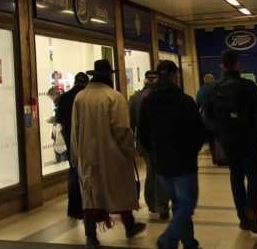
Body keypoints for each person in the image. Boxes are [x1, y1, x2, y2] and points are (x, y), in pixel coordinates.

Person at [71, 59, 147, 248]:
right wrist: (131, 149)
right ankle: (129, 226)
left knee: (90, 194)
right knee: (120, 190)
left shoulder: (80, 97)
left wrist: (76, 156)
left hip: (87, 155)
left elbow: (75, 129)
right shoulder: (114, 96)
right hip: (114, 155)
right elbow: (122, 128)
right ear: (109, 77)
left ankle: (91, 236)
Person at [138, 60, 205, 249]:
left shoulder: (147, 102)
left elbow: (142, 134)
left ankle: (189, 242)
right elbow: (199, 132)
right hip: (184, 163)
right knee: (187, 204)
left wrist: (154, 153)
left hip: (162, 164)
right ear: (175, 76)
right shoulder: (185, 100)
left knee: (177, 203)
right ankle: (169, 238)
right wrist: (192, 151)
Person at [203, 50, 257, 234]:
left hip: (226, 139)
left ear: (222, 66)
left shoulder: (213, 88)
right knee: (254, 175)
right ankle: (252, 209)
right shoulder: (248, 85)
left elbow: (208, 115)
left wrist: (219, 130)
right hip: (247, 137)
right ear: (238, 65)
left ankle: (243, 218)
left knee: (236, 175)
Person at [129, 69, 170, 220]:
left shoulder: (135, 98)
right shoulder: (163, 95)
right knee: (160, 171)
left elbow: (131, 124)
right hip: (162, 140)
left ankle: (152, 203)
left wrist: (133, 144)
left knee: (150, 170)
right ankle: (162, 204)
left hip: (143, 141)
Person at [55, 71, 90, 221]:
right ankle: (90, 206)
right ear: (86, 83)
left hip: (71, 141)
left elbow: (60, 120)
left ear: (75, 82)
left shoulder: (64, 98)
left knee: (74, 171)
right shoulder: (87, 97)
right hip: (88, 141)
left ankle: (75, 207)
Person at [195, 74, 216, 163]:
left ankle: (214, 156)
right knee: (219, 138)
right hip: (217, 118)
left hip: (206, 118)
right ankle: (222, 155)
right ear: (213, 80)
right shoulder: (217, 88)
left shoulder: (201, 91)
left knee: (211, 139)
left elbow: (197, 105)